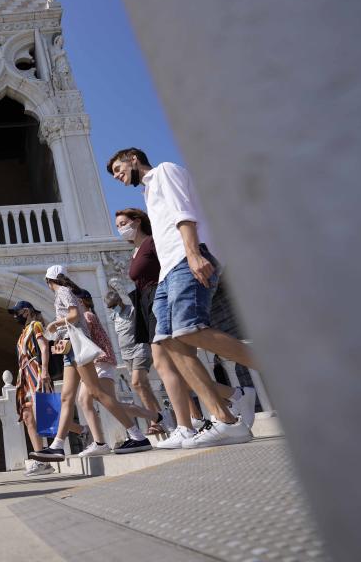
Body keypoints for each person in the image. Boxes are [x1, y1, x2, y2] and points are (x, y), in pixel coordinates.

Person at [107, 148, 254, 448]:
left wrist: (194, 253)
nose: (119, 178)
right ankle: (226, 421)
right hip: (167, 275)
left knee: (189, 329)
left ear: (133, 158)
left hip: (186, 261)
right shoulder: (148, 191)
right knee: (172, 345)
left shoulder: (164, 172)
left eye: (119, 170)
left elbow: (183, 214)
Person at [29, 265, 153, 463]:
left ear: (48, 281)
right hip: (70, 348)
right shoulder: (66, 292)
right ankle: (57, 446)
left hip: (76, 347)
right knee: (67, 398)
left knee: (97, 393)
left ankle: (137, 436)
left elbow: (73, 315)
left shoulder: (63, 291)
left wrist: (54, 324)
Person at [75, 292, 161, 457]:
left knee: (108, 403)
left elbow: (81, 340)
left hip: (100, 362)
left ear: (81, 301)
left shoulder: (87, 316)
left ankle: (139, 430)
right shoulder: (88, 316)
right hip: (95, 363)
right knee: (87, 401)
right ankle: (100, 442)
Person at [104, 289, 167, 435]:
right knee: (143, 387)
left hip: (140, 349)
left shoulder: (132, 311)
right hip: (126, 356)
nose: (113, 308)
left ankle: (155, 420)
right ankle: (161, 419)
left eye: (114, 305)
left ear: (120, 300)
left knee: (137, 383)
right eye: (110, 307)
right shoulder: (114, 316)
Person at [8, 300, 55, 476]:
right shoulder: (23, 332)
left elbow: (44, 348)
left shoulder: (36, 326)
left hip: (35, 371)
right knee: (28, 416)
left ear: (26, 312)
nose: (15, 317)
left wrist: (44, 371)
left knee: (44, 413)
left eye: (16, 313)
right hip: (25, 376)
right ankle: (42, 460)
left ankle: (82, 431)